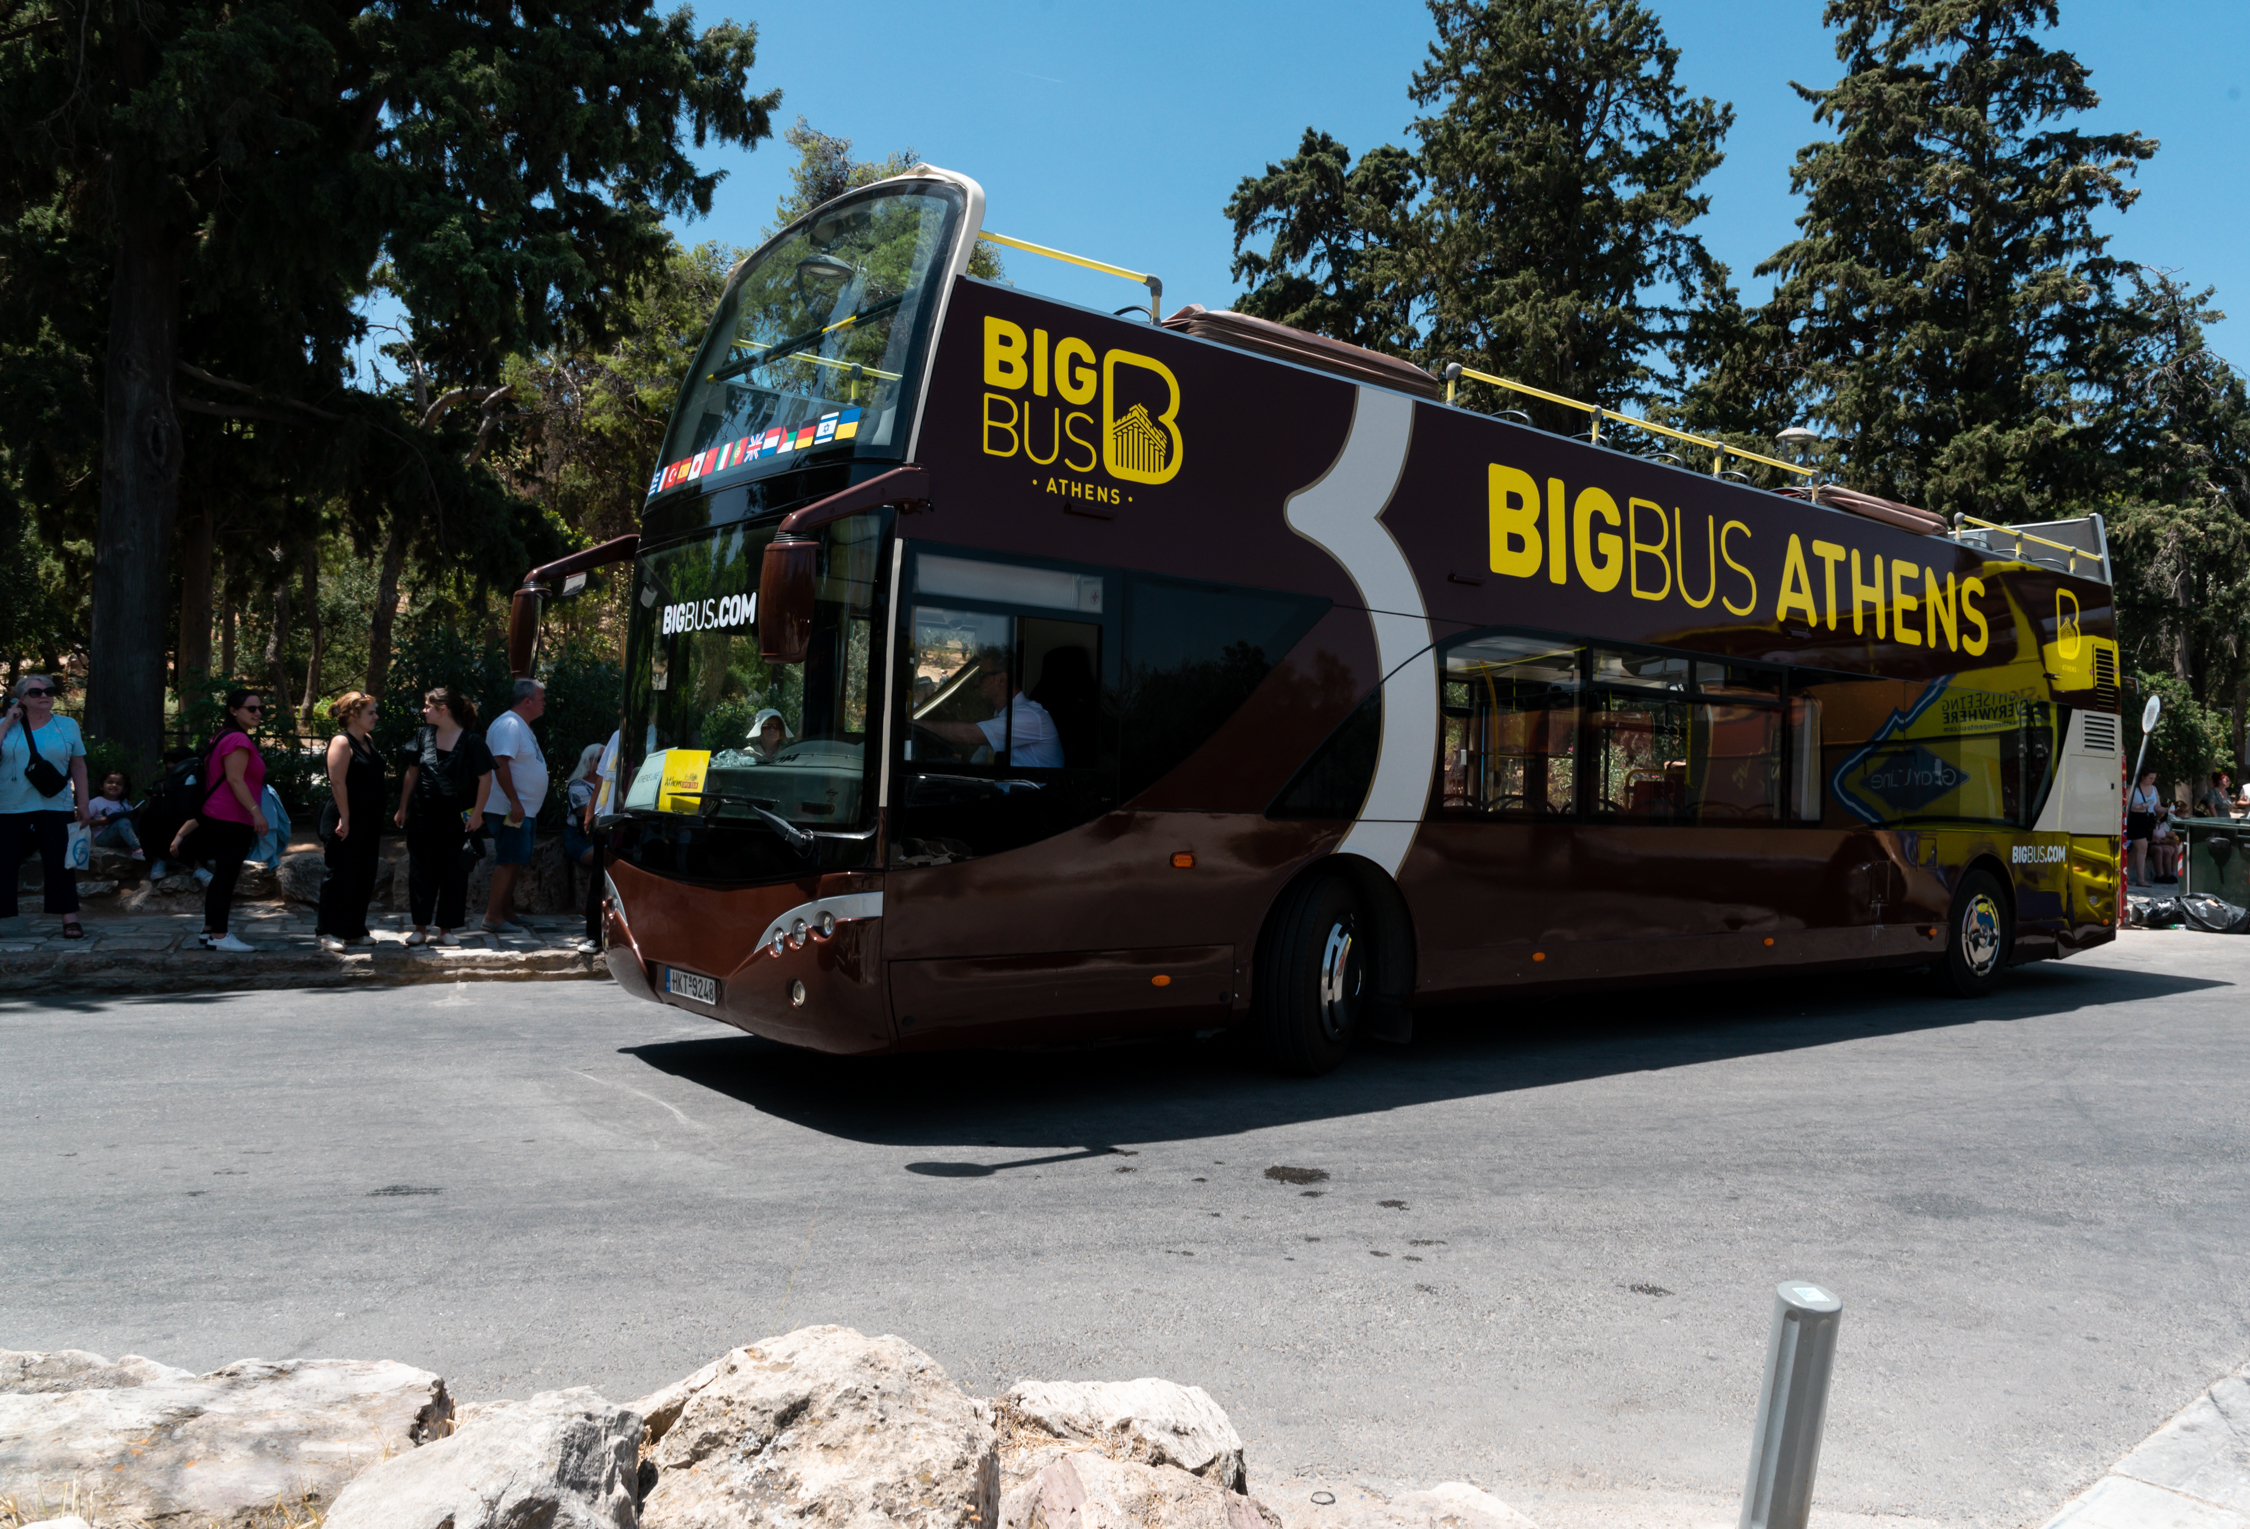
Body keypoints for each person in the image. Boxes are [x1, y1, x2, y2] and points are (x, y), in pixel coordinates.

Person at [392, 685, 492, 947]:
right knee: (420, 870)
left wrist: (478, 814)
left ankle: (446, 929)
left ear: (443, 710)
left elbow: (485, 778)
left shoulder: (472, 741)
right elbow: (412, 772)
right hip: (423, 813)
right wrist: (403, 807)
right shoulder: (423, 735)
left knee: (454, 871)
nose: (423, 711)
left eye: (427, 706)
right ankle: (420, 928)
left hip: (457, 816)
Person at [0, 673, 92, 939]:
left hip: (55, 803)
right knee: (4, 862)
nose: (44, 696)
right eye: (36, 692)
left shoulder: (67, 725)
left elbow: (78, 765)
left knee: (60, 862)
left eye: (49, 691)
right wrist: (7, 722)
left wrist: (83, 802)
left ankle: (69, 918)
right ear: (21, 699)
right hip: (9, 805)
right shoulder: (6, 725)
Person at [187, 689, 269, 952]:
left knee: (221, 875)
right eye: (251, 708)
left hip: (218, 815)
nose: (257, 713)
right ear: (233, 710)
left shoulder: (221, 736)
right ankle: (220, 936)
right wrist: (256, 811)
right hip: (231, 817)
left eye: (260, 709)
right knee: (226, 877)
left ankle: (210, 930)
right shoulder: (237, 740)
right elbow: (235, 779)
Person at [315, 691, 387, 952]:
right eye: (371, 712)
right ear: (354, 715)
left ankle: (354, 930)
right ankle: (327, 931)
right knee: (340, 875)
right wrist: (345, 817)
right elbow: (337, 781)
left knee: (363, 874)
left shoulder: (367, 739)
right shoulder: (341, 742)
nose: (376, 716)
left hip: (368, 819)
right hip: (344, 819)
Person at [919, 647, 1064, 768]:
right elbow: (978, 761)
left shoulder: (1031, 717)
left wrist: (916, 725)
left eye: (982, 675)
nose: (976, 682)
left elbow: (970, 734)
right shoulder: (1000, 715)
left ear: (1001, 680)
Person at [481, 677, 548, 937]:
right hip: (509, 809)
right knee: (508, 859)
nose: (544, 704)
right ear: (527, 700)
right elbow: (500, 762)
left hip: (522, 809)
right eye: (541, 699)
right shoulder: (509, 724)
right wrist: (514, 801)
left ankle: (505, 911)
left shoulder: (521, 725)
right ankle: (493, 916)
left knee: (516, 859)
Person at [87, 771, 143, 858]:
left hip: (123, 838)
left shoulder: (125, 803)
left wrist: (136, 813)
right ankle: (137, 849)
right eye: (110, 782)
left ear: (124, 789)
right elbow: (80, 822)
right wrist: (99, 822)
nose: (114, 785)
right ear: (101, 786)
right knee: (123, 821)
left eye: (119, 784)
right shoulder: (95, 803)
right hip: (103, 838)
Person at [2126, 769, 2161, 887]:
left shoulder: (2154, 789)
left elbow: (2157, 807)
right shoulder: (2133, 788)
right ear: (2142, 777)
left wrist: (2169, 810)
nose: (2152, 781)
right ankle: (2141, 879)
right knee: (2142, 847)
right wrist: (2137, 808)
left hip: (2148, 819)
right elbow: (2123, 806)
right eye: (2149, 778)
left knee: (2137, 849)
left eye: (2154, 779)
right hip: (2135, 819)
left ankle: (2124, 873)